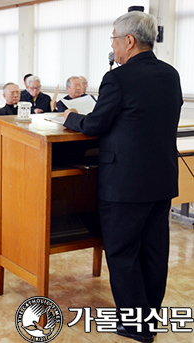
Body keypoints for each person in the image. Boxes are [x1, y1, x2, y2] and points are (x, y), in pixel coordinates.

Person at [63, 11, 182, 343]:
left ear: (128, 40)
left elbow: (96, 124)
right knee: (154, 252)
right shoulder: (171, 74)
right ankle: (149, 319)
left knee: (123, 252)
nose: (113, 47)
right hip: (161, 179)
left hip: (125, 184)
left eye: (114, 39)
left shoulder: (118, 78)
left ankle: (135, 326)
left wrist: (71, 117)